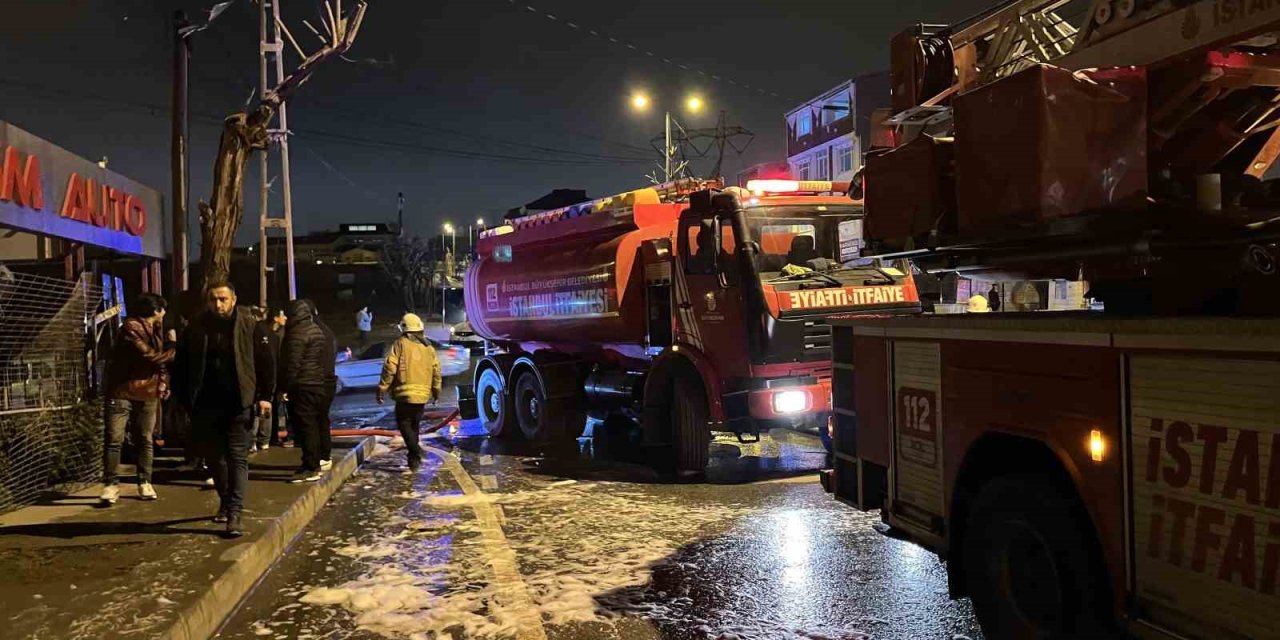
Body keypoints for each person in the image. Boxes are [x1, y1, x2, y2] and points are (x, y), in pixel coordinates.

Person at [174, 281, 274, 537]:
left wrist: (265, 396)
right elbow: (181, 365)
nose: (218, 304)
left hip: (239, 401)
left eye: (223, 299)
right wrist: (183, 400)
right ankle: (226, 501)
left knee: (237, 457)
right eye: (213, 300)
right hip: (206, 403)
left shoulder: (250, 325)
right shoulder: (196, 327)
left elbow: (266, 362)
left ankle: (235, 512)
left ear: (233, 300)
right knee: (215, 459)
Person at [100, 293, 175, 505]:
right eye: (162, 309)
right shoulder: (131, 327)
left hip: (148, 391)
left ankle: (144, 481)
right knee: (115, 438)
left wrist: (163, 382)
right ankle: (111, 484)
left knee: (144, 438)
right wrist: (173, 348)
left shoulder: (155, 329)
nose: (164, 313)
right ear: (155, 311)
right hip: (123, 391)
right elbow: (149, 355)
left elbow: (159, 364)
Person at [376, 313, 442, 472]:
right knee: (414, 425)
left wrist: (382, 388)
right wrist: (436, 392)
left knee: (404, 423)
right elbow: (436, 372)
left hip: (404, 394)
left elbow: (390, 368)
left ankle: (415, 451)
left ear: (404, 329)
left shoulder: (400, 344)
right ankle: (414, 461)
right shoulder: (428, 347)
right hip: (422, 396)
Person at [281, 299, 331, 483]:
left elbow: (292, 363)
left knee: (306, 426)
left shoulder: (297, 334)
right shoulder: (316, 330)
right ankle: (315, 461)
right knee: (315, 425)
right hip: (317, 383)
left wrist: (285, 387)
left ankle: (310, 466)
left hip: (302, 384)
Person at [305, 300, 338, 470]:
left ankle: (319, 457)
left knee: (314, 422)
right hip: (328, 380)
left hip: (317, 382)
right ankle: (324, 455)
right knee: (322, 419)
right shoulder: (326, 330)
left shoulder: (311, 331)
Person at [252, 307, 288, 453]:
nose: (285, 318)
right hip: (264, 381)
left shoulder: (274, 335)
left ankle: (265, 439)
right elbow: (267, 360)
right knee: (261, 409)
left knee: (267, 409)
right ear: (275, 317)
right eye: (282, 315)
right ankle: (260, 440)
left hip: (271, 380)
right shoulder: (263, 332)